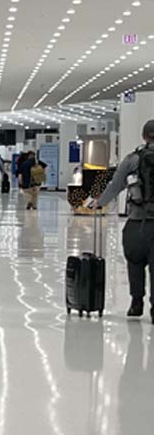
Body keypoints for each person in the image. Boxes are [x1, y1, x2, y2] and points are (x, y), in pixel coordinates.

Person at [90, 119, 154, 320]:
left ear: (144, 136)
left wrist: (98, 202)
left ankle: (136, 303)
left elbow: (115, 185)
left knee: (134, 262)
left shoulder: (132, 159)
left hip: (136, 223)